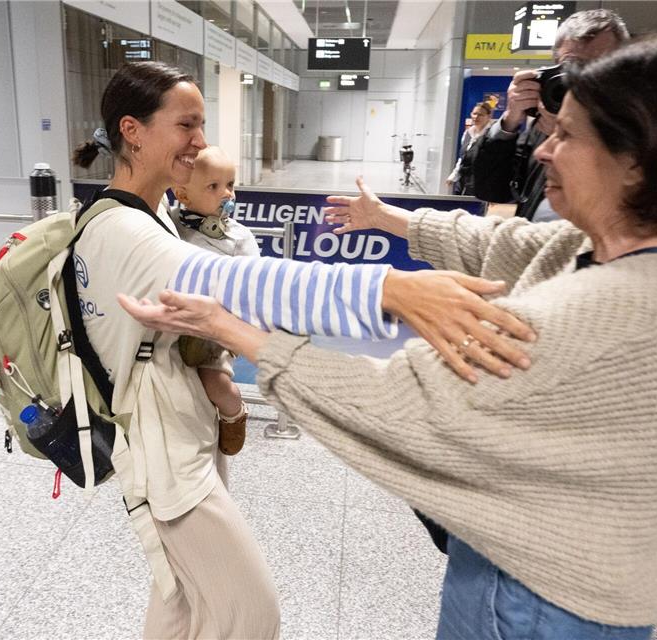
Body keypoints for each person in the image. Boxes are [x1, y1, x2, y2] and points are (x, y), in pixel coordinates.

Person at [118, 34, 657, 639]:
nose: (544, 148)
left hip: (536, 600)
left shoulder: (605, 310)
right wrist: (391, 221)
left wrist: (234, 329)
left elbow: (396, 405)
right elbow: (505, 243)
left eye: (569, 135)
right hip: (594, 571)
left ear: (636, 160)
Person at [69, 61, 534, 639]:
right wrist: (391, 289)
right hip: (161, 449)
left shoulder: (156, 211)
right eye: (186, 124)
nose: (202, 141)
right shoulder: (122, 230)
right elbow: (247, 287)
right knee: (250, 612)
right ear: (133, 130)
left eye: (203, 124)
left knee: (182, 599)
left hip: (186, 423)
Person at [472, 9, 629, 221]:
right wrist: (510, 121)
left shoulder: (647, 132)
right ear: (556, 69)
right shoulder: (544, 122)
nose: (584, 81)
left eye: (600, 68)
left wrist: (571, 136)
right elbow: (492, 190)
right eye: (572, 68)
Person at [168, 145, 258, 485]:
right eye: (213, 187)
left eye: (230, 184)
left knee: (215, 383)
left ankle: (234, 411)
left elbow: (250, 284)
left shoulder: (237, 236)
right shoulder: (169, 224)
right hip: (170, 329)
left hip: (210, 335)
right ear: (182, 193)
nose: (226, 194)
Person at [445, 102, 494, 195]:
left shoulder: (492, 135)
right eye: (474, 113)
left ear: (489, 116)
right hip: (463, 181)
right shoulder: (467, 133)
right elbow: (462, 158)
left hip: (480, 183)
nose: (476, 117)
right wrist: (453, 176)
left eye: (480, 114)